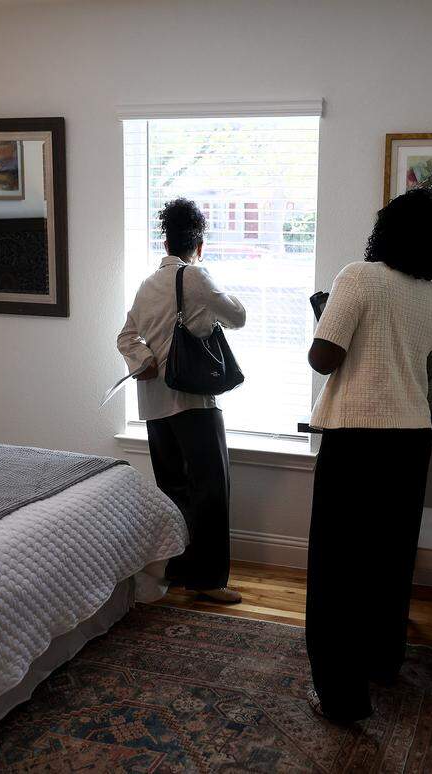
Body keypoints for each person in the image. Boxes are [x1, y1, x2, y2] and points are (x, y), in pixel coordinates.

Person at [303, 186, 432, 723]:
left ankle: (341, 699)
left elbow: (325, 358)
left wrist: (321, 319)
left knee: (337, 570)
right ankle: (382, 664)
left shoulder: (359, 277)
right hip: (413, 439)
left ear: (384, 230)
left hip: (359, 440)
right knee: (389, 560)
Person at [117, 198, 247, 604]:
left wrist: (145, 361)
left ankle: (176, 569)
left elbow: (125, 337)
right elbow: (239, 316)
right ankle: (208, 581)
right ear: (199, 243)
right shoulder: (196, 277)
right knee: (211, 489)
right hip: (192, 401)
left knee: (173, 489)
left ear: (166, 239)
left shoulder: (146, 284)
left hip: (154, 405)